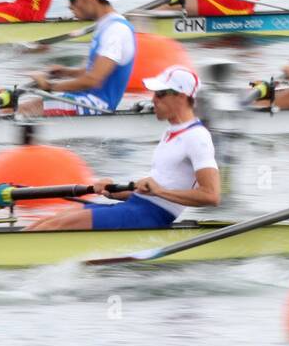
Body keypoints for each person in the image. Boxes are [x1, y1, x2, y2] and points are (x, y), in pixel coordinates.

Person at [27, 66, 219, 231]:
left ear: (181, 97)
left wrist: (159, 191)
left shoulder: (197, 137)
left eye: (160, 94)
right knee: (49, 220)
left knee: (56, 226)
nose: (154, 100)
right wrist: (110, 191)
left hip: (150, 216)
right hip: (136, 207)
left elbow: (211, 195)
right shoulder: (171, 132)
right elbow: (155, 187)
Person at [20, 0, 136, 117]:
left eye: (73, 0)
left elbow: (94, 80)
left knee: (26, 110)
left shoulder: (115, 30)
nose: (69, 6)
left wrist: (49, 86)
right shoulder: (105, 25)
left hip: (97, 105)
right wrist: (66, 72)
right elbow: (98, 71)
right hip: (85, 99)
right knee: (19, 107)